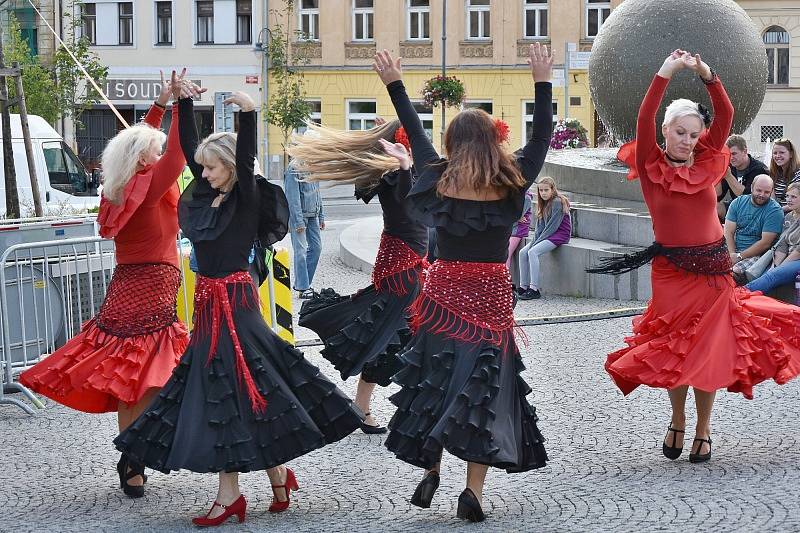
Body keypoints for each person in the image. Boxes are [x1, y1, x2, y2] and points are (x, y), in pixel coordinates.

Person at [114, 83, 363, 526]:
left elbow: (244, 159)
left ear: (229, 167)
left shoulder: (246, 195)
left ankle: (229, 495)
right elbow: (191, 151)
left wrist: (249, 114)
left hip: (236, 303)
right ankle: (280, 475)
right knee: (253, 385)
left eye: (212, 168)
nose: (203, 174)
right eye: (203, 169)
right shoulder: (205, 199)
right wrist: (184, 103)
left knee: (225, 389)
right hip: (209, 307)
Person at [589, 50, 800, 464]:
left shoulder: (707, 160)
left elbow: (725, 112)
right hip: (671, 273)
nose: (687, 139)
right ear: (666, 132)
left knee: (706, 350)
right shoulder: (651, 164)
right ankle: (678, 419)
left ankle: (703, 428)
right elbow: (645, 114)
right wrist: (664, 72)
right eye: (679, 132)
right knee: (675, 349)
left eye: (693, 133)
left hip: (713, 273)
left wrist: (707, 74)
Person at [371, 43, 552, 522]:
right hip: (491, 297)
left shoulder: (437, 174)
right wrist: (542, 80)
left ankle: (430, 467)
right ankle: (471, 490)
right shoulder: (513, 179)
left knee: (435, 379)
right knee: (483, 389)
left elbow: (411, 126)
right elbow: (542, 138)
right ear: (493, 140)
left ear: (452, 143)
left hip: (444, 294)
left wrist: (394, 81)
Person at [20, 71, 189, 498]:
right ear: (145, 161)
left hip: (131, 287)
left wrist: (159, 107)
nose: (159, 153)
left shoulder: (118, 189)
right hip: (150, 290)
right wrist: (179, 106)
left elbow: (145, 148)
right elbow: (180, 154)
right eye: (154, 150)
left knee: (135, 379)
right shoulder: (148, 191)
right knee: (141, 380)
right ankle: (135, 456)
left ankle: (134, 458)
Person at [289, 119, 428, 434]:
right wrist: (405, 167)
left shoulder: (398, 174)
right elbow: (411, 210)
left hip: (404, 264)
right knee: (393, 336)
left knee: (391, 336)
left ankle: (363, 408)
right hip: (405, 270)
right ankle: (384, 409)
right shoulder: (396, 176)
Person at [517, 177, 571, 300]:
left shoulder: (557, 202)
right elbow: (539, 227)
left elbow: (552, 227)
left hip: (559, 234)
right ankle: (523, 287)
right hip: (548, 234)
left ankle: (534, 289)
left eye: (546, 190)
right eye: (541, 190)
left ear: (553, 189)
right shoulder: (543, 203)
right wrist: (535, 240)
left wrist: (536, 243)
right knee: (523, 252)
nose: (543, 193)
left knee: (533, 252)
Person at [724, 174, 784, 282]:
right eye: (758, 190)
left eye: (766, 192)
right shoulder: (738, 202)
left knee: (732, 272)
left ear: (771, 192)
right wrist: (732, 255)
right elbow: (728, 232)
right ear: (752, 187)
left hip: (756, 254)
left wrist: (739, 256)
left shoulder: (775, 210)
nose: (761, 194)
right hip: (733, 250)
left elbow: (765, 243)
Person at [746, 182, 800, 294]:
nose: (789, 200)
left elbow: (799, 251)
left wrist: (779, 268)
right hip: (788, 256)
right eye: (787, 196)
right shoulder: (789, 216)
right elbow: (782, 244)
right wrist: (776, 265)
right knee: (765, 275)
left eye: (793, 197)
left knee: (771, 276)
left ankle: (740, 294)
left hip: (797, 258)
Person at [284, 158, 325, 299]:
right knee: (300, 251)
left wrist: (321, 216)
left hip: (313, 215)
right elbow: (292, 197)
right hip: (299, 216)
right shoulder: (294, 167)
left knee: (316, 248)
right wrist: (298, 221)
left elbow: (317, 193)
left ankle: (304, 284)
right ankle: (304, 287)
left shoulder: (314, 164)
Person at [715, 135, 768, 220]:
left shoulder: (758, 169)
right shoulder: (730, 167)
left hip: (755, 210)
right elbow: (718, 196)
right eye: (728, 154)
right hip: (736, 206)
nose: (731, 158)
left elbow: (748, 197)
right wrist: (717, 174)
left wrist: (728, 176)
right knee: (714, 207)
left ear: (745, 151)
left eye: (734, 154)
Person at [769, 137, 800, 211]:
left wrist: (777, 211)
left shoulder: (798, 174)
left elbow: (797, 202)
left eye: (782, 152)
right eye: (775, 153)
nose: (777, 156)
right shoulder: (775, 173)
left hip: (794, 214)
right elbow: (772, 199)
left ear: (791, 154)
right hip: (779, 212)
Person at [507, 190, 533, 273]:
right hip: (511, 228)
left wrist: (514, 217)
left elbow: (517, 216)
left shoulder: (526, 198)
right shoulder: (512, 195)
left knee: (507, 254)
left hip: (518, 230)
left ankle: (505, 280)